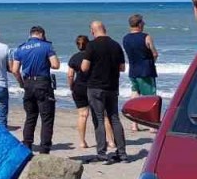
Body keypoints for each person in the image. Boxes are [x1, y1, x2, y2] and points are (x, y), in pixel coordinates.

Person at [80, 21, 129, 164]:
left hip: (95, 86)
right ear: (105, 29)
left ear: (92, 31)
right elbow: (122, 68)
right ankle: (122, 152)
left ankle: (101, 153)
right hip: (112, 86)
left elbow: (84, 67)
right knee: (114, 118)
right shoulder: (115, 45)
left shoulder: (92, 45)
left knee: (99, 119)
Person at [10, 25, 59, 154]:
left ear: (30, 34)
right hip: (43, 83)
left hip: (28, 83)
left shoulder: (20, 48)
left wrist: (21, 83)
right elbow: (56, 64)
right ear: (41, 34)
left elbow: (14, 70)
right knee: (47, 117)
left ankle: (27, 144)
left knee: (30, 116)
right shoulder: (47, 46)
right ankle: (44, 148)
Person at [68, 35, 116, 150]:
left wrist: (71, 86)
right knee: (104, 115)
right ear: (88, 44)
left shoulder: (74, 57)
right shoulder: (94, 56)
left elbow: (70, 75)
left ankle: (82, 142)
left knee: (82, 115)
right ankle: (111, 141)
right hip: (94, 86)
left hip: (79, 87)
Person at [122, 14, 159, 132]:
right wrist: (153, 62)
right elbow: (154, 53)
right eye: (143, 23)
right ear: (139, 24)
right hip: (145, 70)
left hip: (133, 69)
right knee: (150, 96)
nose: (144, 24)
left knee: (135, 95)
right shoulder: (146, 37)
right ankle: (151, 125)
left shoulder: (125, 38)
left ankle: (134, 124)